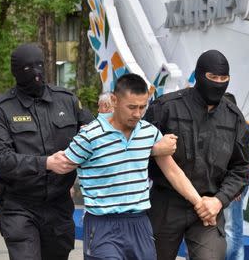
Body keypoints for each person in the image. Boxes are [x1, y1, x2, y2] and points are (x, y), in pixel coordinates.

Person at [48, 73, 210, 260]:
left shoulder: (149, 132)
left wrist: (199, 203)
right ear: (115, 101)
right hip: (102, 226)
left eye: (142, 107)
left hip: (140, 224)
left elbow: (173, 171)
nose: (137, 114)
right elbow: (59, 165)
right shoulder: (89, 136)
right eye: (132, 107)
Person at [0, 42, 94, 260]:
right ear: (16, 72)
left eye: (40, 66)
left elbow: (95, 136)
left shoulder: (66, 100)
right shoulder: (1, 108)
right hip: (19, 205)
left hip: (59, 204)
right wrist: (45, 163)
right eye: (28, 69)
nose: (36, 74)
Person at [144, 50, 249, 260]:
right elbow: (139, 149)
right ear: (199, 75)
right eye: (213, 78)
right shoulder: (166, 108)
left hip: (208, 208)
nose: (219, 83)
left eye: (224, 79)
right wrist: (154, 150)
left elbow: (241, 168)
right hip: (166, 203)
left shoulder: (234, 118)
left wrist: (219, 201)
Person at [222, 93, 249, 260]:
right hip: (230, 184)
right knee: (231, 228)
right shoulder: (233, 125)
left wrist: (237, 188)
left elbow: (244, 162)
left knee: (232, 228)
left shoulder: (240, 127)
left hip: (235, 184)